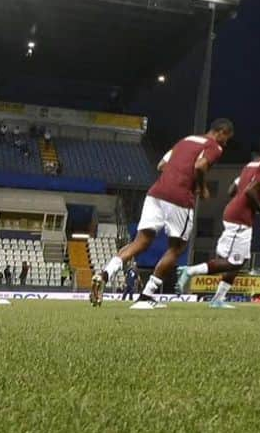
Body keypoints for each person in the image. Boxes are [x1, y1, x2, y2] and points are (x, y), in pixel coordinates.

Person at [90, 118, 234, 309]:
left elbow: (161, 165)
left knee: (140, 242)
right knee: (176, 248)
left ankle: (105, 273)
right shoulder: (214, 147)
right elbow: (200, 166)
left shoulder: (186, 140)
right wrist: (202, 187)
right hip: (180, 199)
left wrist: (175, 175)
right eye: (227, 138)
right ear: (221, 132)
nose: (226, 143)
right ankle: (146, 296)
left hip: (156, 193)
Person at [176, 133, 260, 309]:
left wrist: (239, 201)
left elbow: (231, 189)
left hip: (234, 212)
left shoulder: (251, 164)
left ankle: (218, 299)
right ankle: (190, 271)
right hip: (240, 218)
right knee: (234, 262)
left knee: (236, 262)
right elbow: (250, 191)